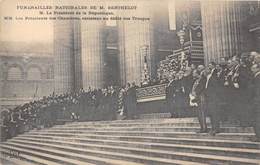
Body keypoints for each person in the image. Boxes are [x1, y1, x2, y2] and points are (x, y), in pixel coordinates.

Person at [205, 62, 221, 136]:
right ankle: (213, 128)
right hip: (209, 99)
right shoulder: (207, 78)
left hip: (213, 99)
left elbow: (216, 88)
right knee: (211, 114)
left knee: (215, 114)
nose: (205, 71)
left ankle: (216, 129)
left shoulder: (213, 78)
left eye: (207, 69)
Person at [191, 69, 208, 133]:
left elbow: (201, 88)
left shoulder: (203, 79)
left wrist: (196, 93)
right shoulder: (196, 80)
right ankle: (202, 127)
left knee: (202, 113)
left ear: (197, 73)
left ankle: (204, 128)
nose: (193, 74)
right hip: (197, 98)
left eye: (194, 73)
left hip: (201, 98)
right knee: (199, 113)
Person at [251, 63, 260, 142]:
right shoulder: (255, 77)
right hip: (255, 100)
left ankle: (258, 136)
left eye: (253, 68)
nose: (251, 69)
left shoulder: (258, 77)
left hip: (257, 101)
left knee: (257, 119)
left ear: (258, 68)